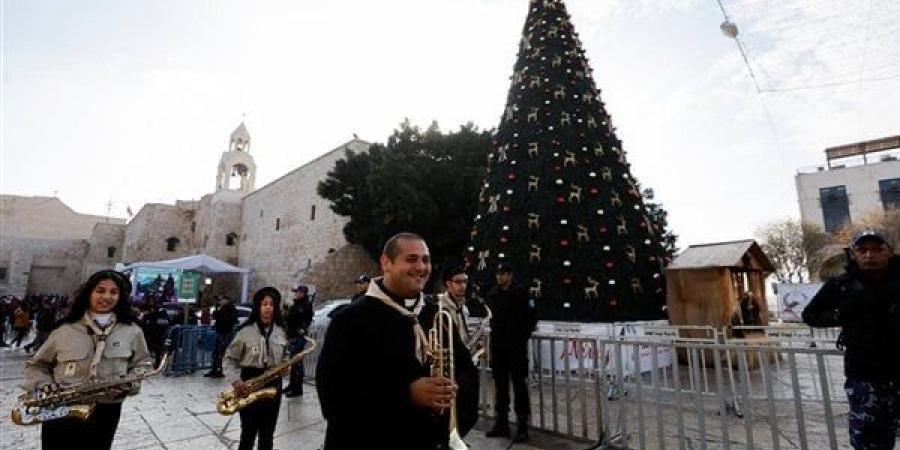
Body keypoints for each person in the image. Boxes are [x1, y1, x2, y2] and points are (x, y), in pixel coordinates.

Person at [316, 232, 456, 450]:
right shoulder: (348, 320)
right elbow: (333, 397)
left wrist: (452, 389)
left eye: (426, 260)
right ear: (386, 262)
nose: (421, 267)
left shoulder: (436, 314)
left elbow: (464, 370)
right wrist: (406, 394)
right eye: (411, 259)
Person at [23, 270, 152, 450]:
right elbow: (37, 365)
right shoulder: (64, 329)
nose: (106, 296)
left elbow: (143, 364)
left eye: (114, 292)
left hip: (106, 411)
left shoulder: (132, 331)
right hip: (61, 408)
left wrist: (129, 386)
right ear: (89, 293)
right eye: (100, 290)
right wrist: (44, 385)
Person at [803, 228, 900, 450]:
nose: (869, 255)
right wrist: (840, 314)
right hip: (865, 377)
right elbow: (810, 315)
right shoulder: (841, 285)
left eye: (876, 249)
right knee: (869, 443)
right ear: (854, 253)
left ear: (889, 251)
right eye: (862, 249)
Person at [417, 263, 480, 440]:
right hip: (446, 367)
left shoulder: (464, 308)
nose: (462, 286)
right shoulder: (437, 307)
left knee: (468, 410)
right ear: (447, 284)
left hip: (462, 360)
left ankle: (456, 438)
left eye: (465, 282)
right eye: (458, 282)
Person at [224, 287, 289, 450]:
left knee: (267, 435)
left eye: (272, 304)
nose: (268, 308)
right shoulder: (244, 332)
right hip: (249, 384)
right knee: (248, 433)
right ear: (258, 307)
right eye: (264, 304)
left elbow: (286, 355)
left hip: (273, 385)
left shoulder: (281, 332)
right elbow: (229, 359)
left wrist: (286, 367)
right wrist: (237, 382)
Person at [485, 263, 536, 443]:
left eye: (503, 274)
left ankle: (522, 425)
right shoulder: (493, 294)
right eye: (498, 274)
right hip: (499, 348)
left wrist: (522, 336)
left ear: (510, 275)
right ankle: (502, 423)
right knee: (500, 387)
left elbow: (531, 317)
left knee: (519, 387)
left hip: (516, 348)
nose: (500, 277)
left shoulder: (521, 293)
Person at [284, 284, 313, 396]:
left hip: (298, 336)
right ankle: (292, 385)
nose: (296, 294)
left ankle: (297, 389)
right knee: (293, 363)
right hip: (292, 336)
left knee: (297, 363)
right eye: (296, 292)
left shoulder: (305, 305)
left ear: (303, 293)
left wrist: (301, 328)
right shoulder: (297, 304)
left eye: (298, 292)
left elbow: (304, 319)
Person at [206, 296, 238, 378]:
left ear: (227, 300)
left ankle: (221, 370)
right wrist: (217, 309)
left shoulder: (231, 308)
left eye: (222, 300)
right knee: (215, 351)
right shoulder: (219, 308)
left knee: (222, 351)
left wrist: (221, 313)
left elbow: (229, 319)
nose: (221, 301)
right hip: (219, 330)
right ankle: (214, 369)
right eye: (220, 300)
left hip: (227, 332)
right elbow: (215, 316)